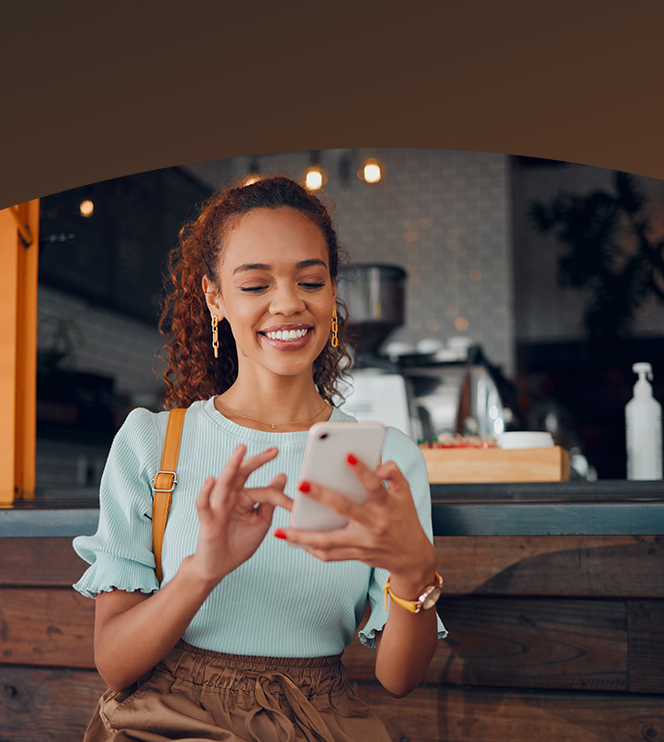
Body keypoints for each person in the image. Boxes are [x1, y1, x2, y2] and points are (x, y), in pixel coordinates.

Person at [72, 175, 446, 741]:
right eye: (255, 285)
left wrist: (415, 573)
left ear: (332, 293)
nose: (289, 303)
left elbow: (399, 679)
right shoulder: (154, 443)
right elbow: (116, 663)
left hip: (319, 721)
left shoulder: (376, 456)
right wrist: (204, 566)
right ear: (214, 297)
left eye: (311, 280)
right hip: (175, 723)